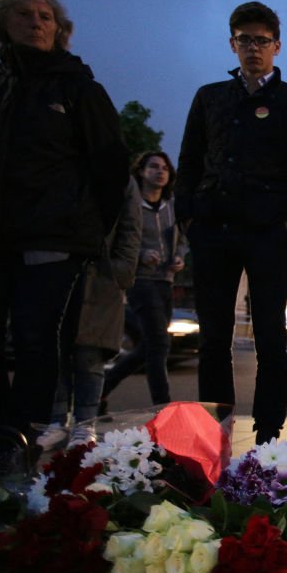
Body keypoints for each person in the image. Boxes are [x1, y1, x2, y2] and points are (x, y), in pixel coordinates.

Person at [0, 0, 129, 454]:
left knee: (39, 344)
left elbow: (110, 165)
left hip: (53, 241)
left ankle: (22, 443)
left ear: (59, 29)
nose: (35, 22)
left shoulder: (79, 89)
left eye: (44, 16)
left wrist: (86, 228)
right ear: (1, 27)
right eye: (23, 14)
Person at [176, 1, 287, 445]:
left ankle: (267, 432)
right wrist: (188, 218)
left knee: (270, 340)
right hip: (212, 233)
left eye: (262, 40)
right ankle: (214, 430)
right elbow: (188, 163)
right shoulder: (209, 98)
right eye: (245, 39)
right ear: (233, 44)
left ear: (277, 46)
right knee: (213, 340)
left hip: (267, 235)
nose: (253, 48)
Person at [43, 177, 142, 448]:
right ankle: (56, 420)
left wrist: (120, 271)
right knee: (56, 349)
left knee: (90, 352)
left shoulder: (120, 178)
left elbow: (130, 228)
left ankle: (86, 424)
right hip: (58, 266)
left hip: (101, 274)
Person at [101, 152, 186, 409]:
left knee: (149, 346)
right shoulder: (130, 205)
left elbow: (181, 240)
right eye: (153, 167)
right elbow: (115, 242)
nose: (159, 172)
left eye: (164, 168)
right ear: (141, 171)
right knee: (159, 344)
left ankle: (103, 387)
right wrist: (140, 255)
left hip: (165, 281)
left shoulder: (171, 207)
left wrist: (180, 257)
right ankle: (163, 407)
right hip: (140, 280)